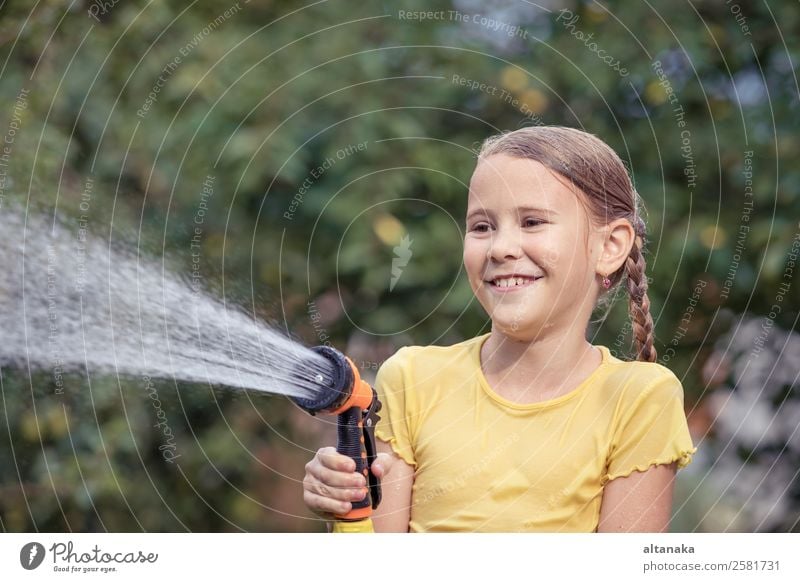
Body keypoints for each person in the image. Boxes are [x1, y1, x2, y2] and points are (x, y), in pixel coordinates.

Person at [303, 126, 697, 532]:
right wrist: (349, 512)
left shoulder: (638, 398)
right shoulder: (413, 380)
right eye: (481, 227)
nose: (499, 247)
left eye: (532, 221)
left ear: (610, 246)